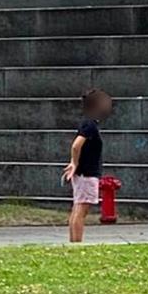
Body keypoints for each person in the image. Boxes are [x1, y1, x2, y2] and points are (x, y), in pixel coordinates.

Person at [62, 88, 113, 243]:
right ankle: (76, 242)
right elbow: (76, 145)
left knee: (78, 208)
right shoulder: (90, 125)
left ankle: (74, 241)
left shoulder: (89, 124)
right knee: (81, 210)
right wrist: (74, 163)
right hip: (87, 173)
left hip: (84, 173)